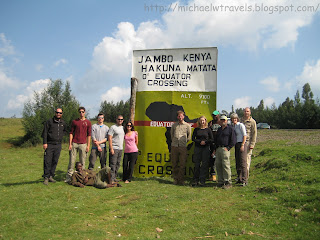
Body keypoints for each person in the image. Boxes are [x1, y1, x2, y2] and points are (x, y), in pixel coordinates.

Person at [65, 107, 92, 183]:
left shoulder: (88, 122)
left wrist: (88, 145)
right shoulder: (74, 122)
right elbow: (71, 133)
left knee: (82, 162)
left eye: (82, 112)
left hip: (83, 144)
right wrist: (70, 144)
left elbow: (89, 135)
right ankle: (69, 177)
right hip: (75, 143)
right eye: (80, 112)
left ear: (85, 112)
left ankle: (81, 177)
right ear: (78, 113)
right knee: (71, 161)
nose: (81, 113)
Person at [42, 108, 67, 185]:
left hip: (58, 145)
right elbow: (45, 132)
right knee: (47, 161)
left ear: (62, 114)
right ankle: (46, 177)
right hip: (50, 144)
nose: (58, 114)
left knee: (55, 161)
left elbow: (65, 131)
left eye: (60, 113)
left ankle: (51, 176)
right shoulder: (49, 121)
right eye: (57, 112)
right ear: (55, 113)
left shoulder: (63, 122)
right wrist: (45, 143)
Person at [212, 115, 236, 189]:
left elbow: (233, 140)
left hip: (225, 149)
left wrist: (228, 147)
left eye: (224, 120)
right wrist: (215, 149)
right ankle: (221, 181)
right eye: (222, 120)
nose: (223, 121)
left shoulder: (230, 129)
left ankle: (228, 182)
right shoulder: (219, 129)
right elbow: (216, 140)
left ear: (227, 121)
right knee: (218, 165)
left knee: (226, 165)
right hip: (218, 148)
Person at [170, 110, 192, 185]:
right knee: (175, 163)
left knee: (182, 164)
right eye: (179, 116)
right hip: (174, 146)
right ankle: (175, 179)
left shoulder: (187, 126)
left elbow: (189, 137)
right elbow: (171, 135)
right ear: (177, 117)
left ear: (183, 116)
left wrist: (184, 142)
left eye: (181, 116)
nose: (180, 117)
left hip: (183, 147)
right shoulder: (174, 125)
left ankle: (181, 180)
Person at [192, 116, 213, 186]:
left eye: (203, 120)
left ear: (205, 121)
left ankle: (202, 180)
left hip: (206, 149)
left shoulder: (208, 130)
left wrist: (205, 142)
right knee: (197, 164)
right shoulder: (196, 129)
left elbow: (211, 139)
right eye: (201, 121)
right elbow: (193, 138)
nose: (202, 122)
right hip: (198, 148)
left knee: (204, 164)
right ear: (199, 121)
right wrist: (199, 141)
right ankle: (195, 180)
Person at [230, 113, 248, 186]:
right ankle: (239, 178)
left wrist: (242, 145)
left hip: (242, 143)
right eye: (232, 119)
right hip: (236, 144)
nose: (234, 120)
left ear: (237, 119)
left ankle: (244, 179)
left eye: (235, 119)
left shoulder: (240, 125)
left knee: (243, 162)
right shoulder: (233, 127)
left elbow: (244, 135)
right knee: (238, 162)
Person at [108, 115, 125, 184]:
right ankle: (111, 179)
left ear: (123, 120)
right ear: (116, 119)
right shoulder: (113, 127)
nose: (120, 120)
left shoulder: (123, 128)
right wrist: (111, 148)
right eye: (119, 119)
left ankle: (114, 177)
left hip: (120, 148)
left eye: (121, 119)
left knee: (118, 164)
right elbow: (109, 138)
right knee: (113, 164)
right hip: (114, 148)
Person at [241, 107, 257, 178]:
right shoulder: (241, 120)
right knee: (241, 160)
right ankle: (241, 176)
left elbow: (254, 133)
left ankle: (246, 177)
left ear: (250, 112)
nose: (246, 113)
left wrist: (252, 144)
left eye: (247, 111)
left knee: (247, 160)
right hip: (240, 142)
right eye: (245, 111)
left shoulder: (252, 122)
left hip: (248, 143)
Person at [208, 110, 220, 181]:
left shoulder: (221, 122)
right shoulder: (211, 123)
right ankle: (212, 174)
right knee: (212, 159)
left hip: (219, 143)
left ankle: (220, 175)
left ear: (218, 115)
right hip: (212, 143)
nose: (214, 116)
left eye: (215, 115)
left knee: (219, 160)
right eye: (213, 115)